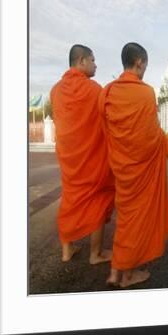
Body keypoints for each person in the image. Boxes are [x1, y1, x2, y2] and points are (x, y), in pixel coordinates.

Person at [99, 42, 168, 288]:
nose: (144, 70)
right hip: (141, 168)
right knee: (136, 221)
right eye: (145, 65)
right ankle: (127, 275)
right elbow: (149, 136)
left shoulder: (107, 92)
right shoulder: (146, 92)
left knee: (126, 218)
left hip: (121, 167)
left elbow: (105, 130)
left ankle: (114, 271)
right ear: (139, 62)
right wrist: (163, 140)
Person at [50, 44, 115, 264]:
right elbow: (108, 119)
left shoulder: (55, 90)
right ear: (81, 61)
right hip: (93, 159)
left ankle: (67, 250)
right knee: (98, 199)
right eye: (93, 60)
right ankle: (95, 254)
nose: (96, 65)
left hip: (70, 160)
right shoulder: (93, 89)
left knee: (70, 199)